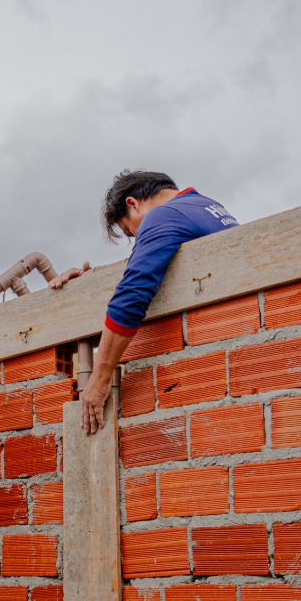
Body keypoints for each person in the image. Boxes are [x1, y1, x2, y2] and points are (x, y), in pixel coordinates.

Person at [51, 170, 238, 433]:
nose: (137, 240)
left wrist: (100, 378)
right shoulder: (205, 207)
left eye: (131, 232)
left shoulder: (162, 215)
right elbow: (146, 261)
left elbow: (132, 294)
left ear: (132, 203)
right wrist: (90, 278)